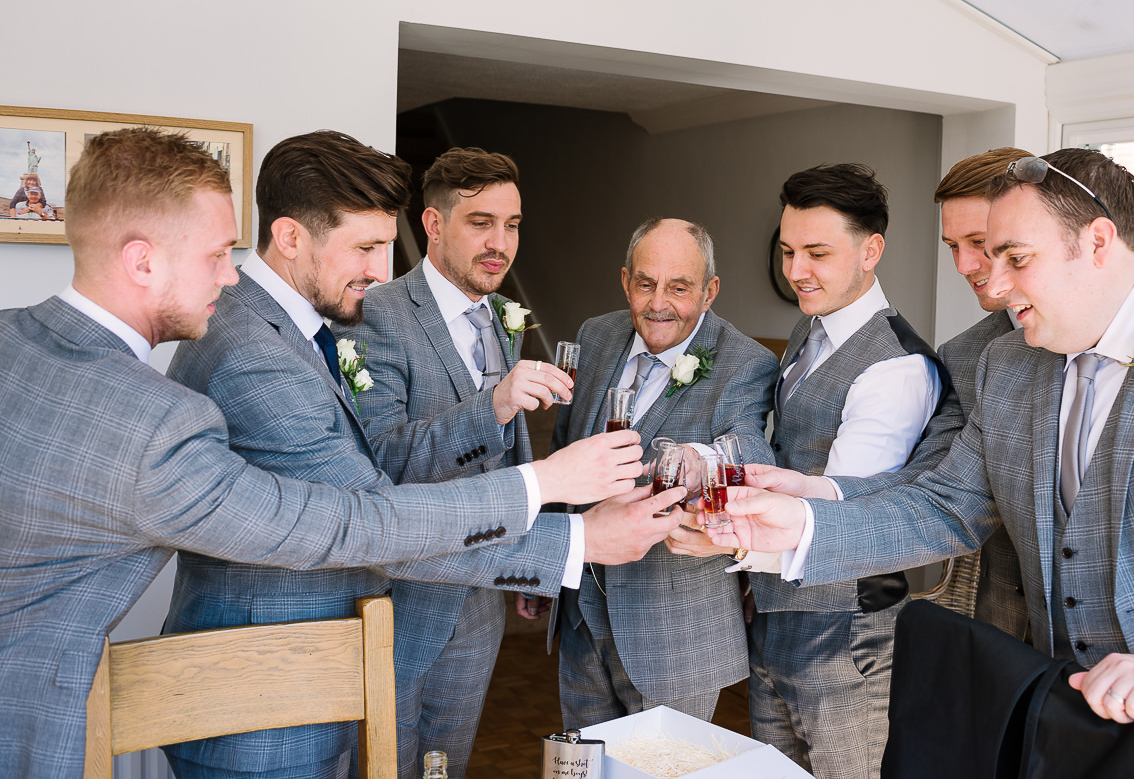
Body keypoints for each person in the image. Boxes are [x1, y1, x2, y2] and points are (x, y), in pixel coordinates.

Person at [0, 127, 654, 779]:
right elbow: (361, 522)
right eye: (367, 246)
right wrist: (561, 512)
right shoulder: (233, 368)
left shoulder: (14, 341)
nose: (229, 274)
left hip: (295, 681)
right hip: (258, 707)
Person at [717, 148, 1134, 777]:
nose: (993, 284)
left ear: (1098, 242)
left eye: (1016, 259)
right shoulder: (1008, 365)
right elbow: (943, 506)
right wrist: (802, 527)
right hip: (1069, 731)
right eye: (986, 257)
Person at [337, 147, 565, 778]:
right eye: (480, 222)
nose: (500, 243)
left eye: (512, 224)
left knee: (449, 760)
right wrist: (492, 402)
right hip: (403, 594)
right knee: (387, 761)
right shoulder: (377, 313)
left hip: (485, 588)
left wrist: (528, 563)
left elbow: (510, 449)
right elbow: (381, 457)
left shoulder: (501, 316)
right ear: (433, 225)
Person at [739, 164, 943, 779]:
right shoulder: (811, 330)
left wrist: (724, 538)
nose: (796, 271)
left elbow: (847, 517)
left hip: (848, 632)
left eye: (817, 253)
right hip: (777, 613)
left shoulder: (896, 369)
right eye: (789, 251)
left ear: (871, 250)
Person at [549, 217, 779, 728]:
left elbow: (749, 449)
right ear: (626, 280)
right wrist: (543, 568)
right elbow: (564, 447)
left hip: (673, 633)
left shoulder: (746, 362)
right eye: (646, 284)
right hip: (579, 610)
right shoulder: (597, 334)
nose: (658, 303)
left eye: (678, 288)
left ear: (709, 291)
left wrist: (702, 459)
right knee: (582, 763)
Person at [928, 147, 1033, 638]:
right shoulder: (964, 355)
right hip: (1005, 624)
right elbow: (938, 487)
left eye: (979, 240)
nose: (965, 264)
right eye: (953, 245)